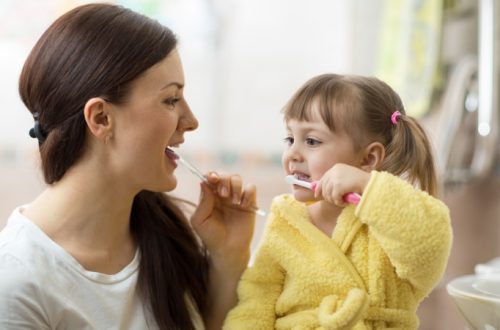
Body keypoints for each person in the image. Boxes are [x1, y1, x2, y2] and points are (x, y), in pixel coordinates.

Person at [0, 3, 257, 330]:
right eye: (171, 100)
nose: (191, 122)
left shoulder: (162, 235)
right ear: (102, 118)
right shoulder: (17, 284)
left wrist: (228, 256)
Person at [223, 74, 453, 329]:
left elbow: (429, 246)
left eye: (311, 141)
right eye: (290, 139)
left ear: (368, 159)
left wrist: (369, 186)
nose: (292, 154)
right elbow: (256, 302)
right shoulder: (286, 220)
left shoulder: (389, 221)